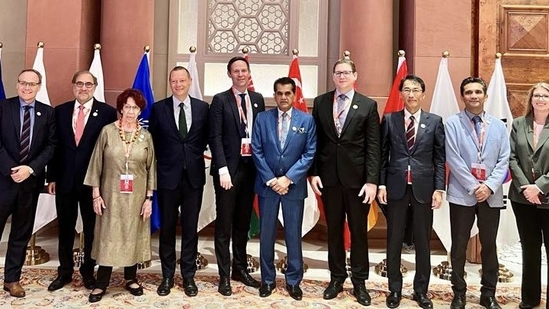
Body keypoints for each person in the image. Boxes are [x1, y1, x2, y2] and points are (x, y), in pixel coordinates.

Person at [310, 58, 381, 306]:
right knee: (334, 231)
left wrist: (372, 181)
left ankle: (360, 282)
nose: (342, 76)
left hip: (358, 181)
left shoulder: (368, 105)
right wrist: (314, 172)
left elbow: (374, 147)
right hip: (328, 179)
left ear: (355, 75)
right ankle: (337, 278)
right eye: (338, 72)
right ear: (333, 76)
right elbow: (315, 141)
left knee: (359, 233)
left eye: (346, 72)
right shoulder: (320, 103)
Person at [377, 75, 445, 309]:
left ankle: (421, 290)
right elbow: (382, 155)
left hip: (423, 189)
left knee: (423, 242)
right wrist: (381, 184)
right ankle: (394, 289)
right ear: (401, 94)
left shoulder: (434, 121)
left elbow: (439, 158)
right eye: (406, 90)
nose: (411, 94)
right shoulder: (389, 119)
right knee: (394, 240)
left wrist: (439, 188)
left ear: (423, 94)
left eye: (416, 90)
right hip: (395, 187)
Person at [47, 70, 117, 292]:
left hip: (93, 183)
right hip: (65, 180)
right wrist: (52, 177)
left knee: (92, 228)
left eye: (88, 84)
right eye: (79, 84)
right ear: (73, 86)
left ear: (95, 87)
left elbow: (110, 150)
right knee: (65, 228)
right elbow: (55, 147)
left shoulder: (107, 113)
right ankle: (64, 272)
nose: (83, 88)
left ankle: (89, 271)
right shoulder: (60, 111)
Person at [83, 89, 156, 303]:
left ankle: (131, 278)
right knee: (109, 235)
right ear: (120, 109)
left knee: (132, 233)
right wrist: (96, 195)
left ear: (140, 110)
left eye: (135, 107)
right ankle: (101, 282)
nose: (131, 111)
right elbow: (96, 163)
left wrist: (149, 199)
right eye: (127, 107)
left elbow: (151, 169)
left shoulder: (146, 136)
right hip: (110, 194)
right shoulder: (108, 131)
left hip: (136, 196)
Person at [445, 77, 510, 309]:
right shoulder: (452, 124)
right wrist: (474, 186)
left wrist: (489, 186)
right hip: (462, 193)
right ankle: (459, 292)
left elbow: (504, 160)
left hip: (490, 195)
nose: (474, 96)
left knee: (489, 244)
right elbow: (453, 157)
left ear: (485, 95)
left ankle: (488, 293)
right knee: (459, 245)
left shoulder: (499, 125)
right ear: (463, 96)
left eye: (478, 92)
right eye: (469, 92)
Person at [251, 77, 316, 300]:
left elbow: (309, 153)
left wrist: (287, 179)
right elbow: (256, 150)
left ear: (294, 95)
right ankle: (267, 280)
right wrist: (271, 180)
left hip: (293, 187)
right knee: (266, 234)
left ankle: (294, 280)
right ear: (274, 95)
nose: (283, 97)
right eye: (279, 93)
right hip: (268, 187)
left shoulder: (307, 121)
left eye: (288, 93)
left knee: (293, 234)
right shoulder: (262, 118)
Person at [149, 66, 209, 297]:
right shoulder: (158, 108)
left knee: (191, 228)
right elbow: (153, 141)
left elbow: (206, 138)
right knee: (167, 229)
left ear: (190, 81)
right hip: (167, 177)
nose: (178, 84)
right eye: (174, 81)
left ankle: (188, 276)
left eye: (182, 80)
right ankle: (166, 276)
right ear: (170, 83)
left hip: (193, 177)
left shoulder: (203, 108)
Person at [209, 56, 265, 296]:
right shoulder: (220, 100)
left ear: (249, 73)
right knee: (224, 225)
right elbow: (215, 137)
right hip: (227, 173)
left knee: (242, 224)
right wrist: (222, 169)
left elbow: (260, 134)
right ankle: (224, 275)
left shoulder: (257, 99)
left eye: (244, 70)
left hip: (251, 170)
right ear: (229, 74)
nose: (240, 74)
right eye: (236, 71)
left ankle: (239, 269)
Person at [0, 69, 56, 297]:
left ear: (39, 86)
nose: (27, 87)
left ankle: (12, 279)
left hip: (29, 184)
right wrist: (11, 169)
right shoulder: (3, 107)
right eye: (23, 83)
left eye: (32, 84)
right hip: (3, 180)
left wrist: (30, 169)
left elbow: (51, 146)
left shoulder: (48, 113)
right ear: (17, 84)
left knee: (20, 235)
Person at [508, 82, 549, 309]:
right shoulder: (518, 124)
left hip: (548, 196)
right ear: (530, 100)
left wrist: (539, 187)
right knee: (530, 249)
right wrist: (527, 187)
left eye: (545, 96)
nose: (540, 99)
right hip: (522, 199)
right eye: (537, 96)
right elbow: (512, 158)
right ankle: (530, 298)